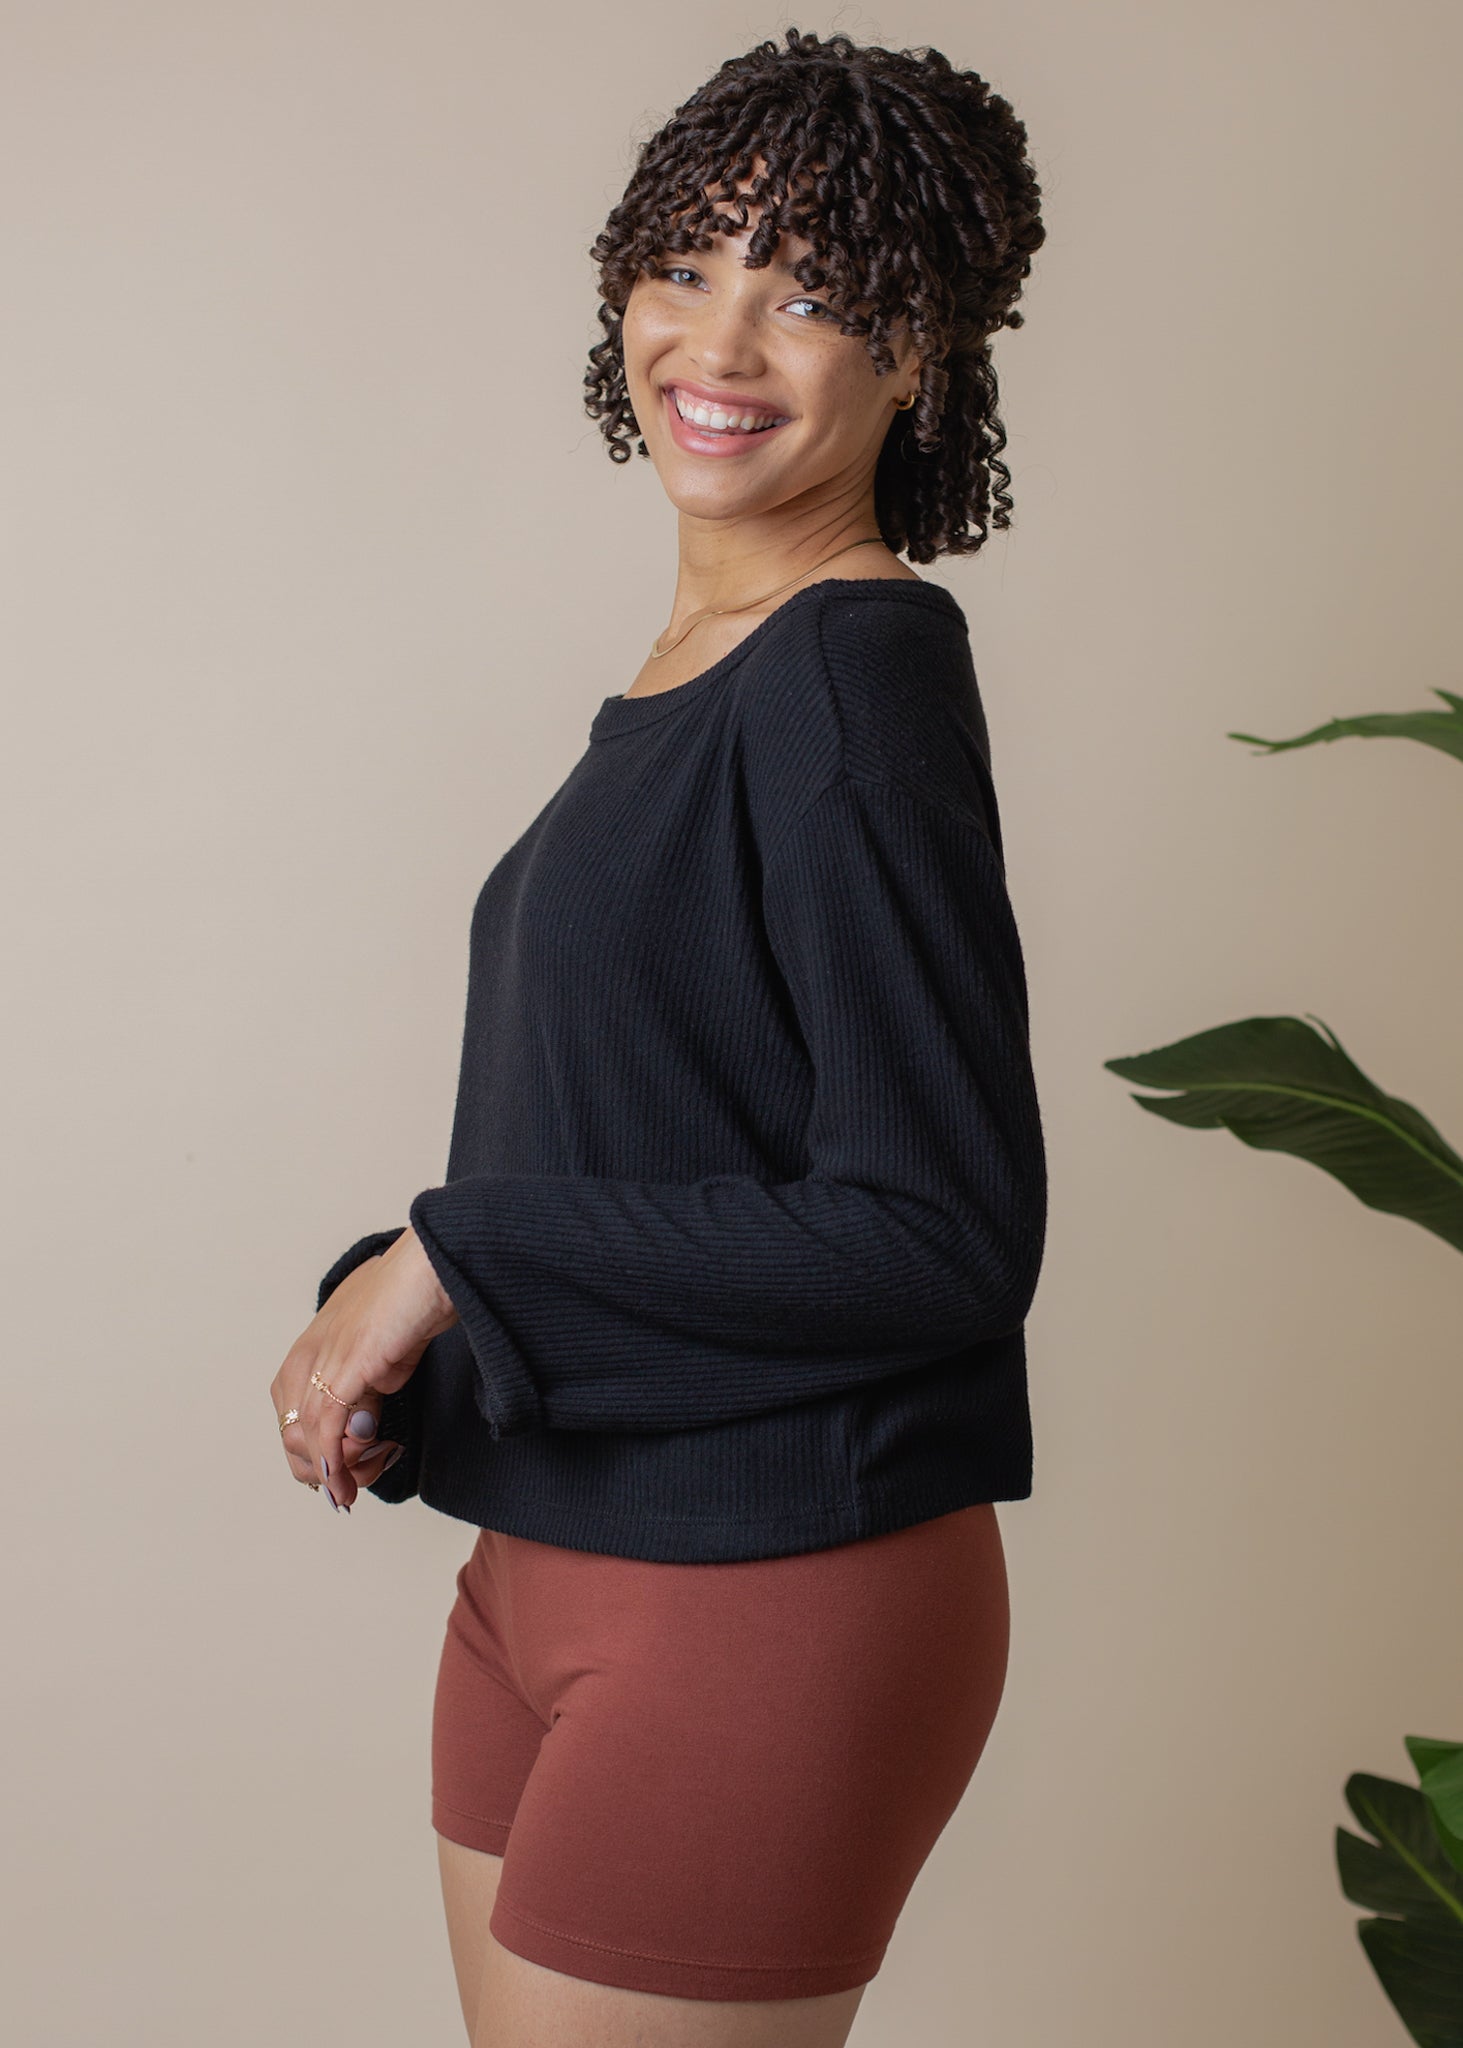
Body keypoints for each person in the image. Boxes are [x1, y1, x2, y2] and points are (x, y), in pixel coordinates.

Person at [270, 26, 1048, 2048]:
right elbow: (662, 1137)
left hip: (767, 1585)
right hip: (544, 1561)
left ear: (919, 352)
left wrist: (457, 1255)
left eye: (813, 292)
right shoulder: (705, 671)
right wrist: (410, 1301)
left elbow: (939, 1233)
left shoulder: (854, 681)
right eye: (688, 266)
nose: (723, 339)